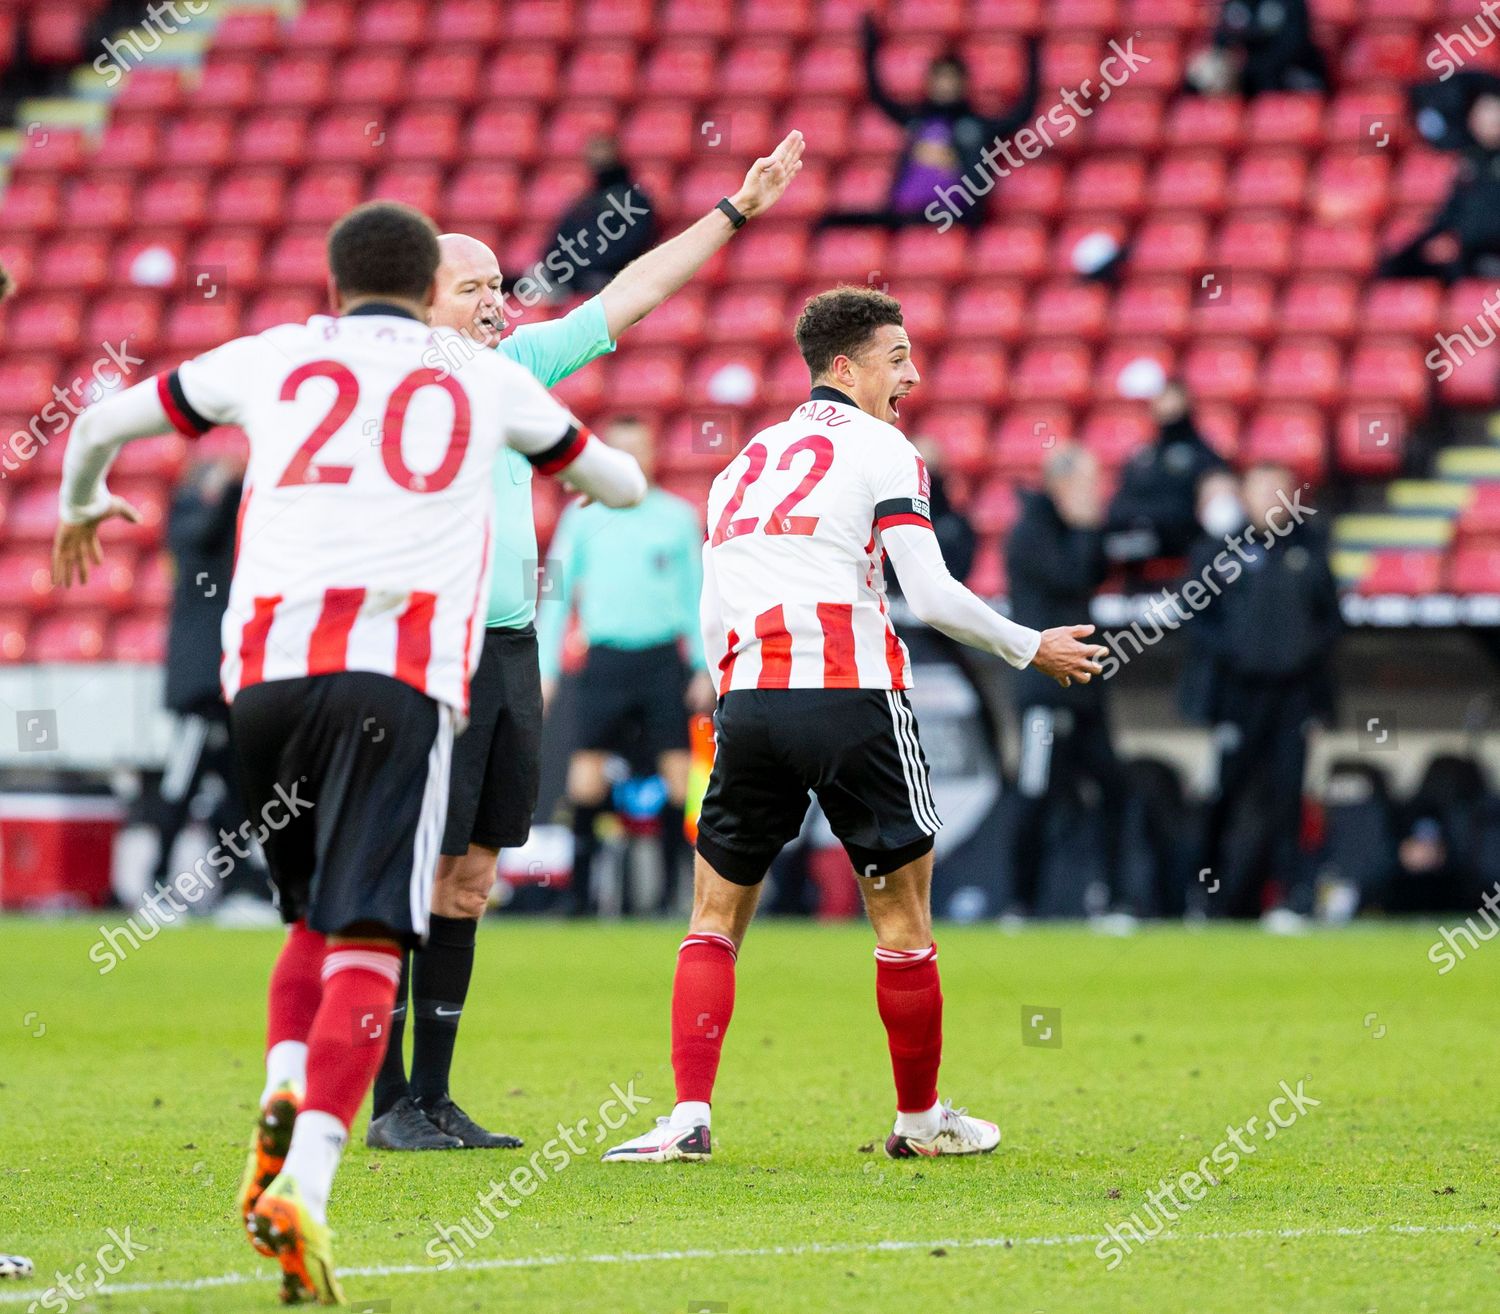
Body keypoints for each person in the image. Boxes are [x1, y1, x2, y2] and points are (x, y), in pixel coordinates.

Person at [52, 200, 647, 1303]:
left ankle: (278, 1120)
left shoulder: (273, 356)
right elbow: (616, 481)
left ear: (334, 280)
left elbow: (95, 426)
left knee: (310, 918)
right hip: (399, 682)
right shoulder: (484, 375)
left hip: (266, 681)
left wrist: (83, 506)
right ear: (432, 287)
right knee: (375, 926)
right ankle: (303, 1184)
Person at [367, 131, 806, 1152]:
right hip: (439, 652)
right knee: (414, 877)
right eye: (470, 287)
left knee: (472, 876)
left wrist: (735, 210)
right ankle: (388, 1100)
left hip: (512, 652)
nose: (494, 299)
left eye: (496, 285)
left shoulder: (518, 366)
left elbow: (631, 296)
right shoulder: (396, 388)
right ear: (420, 300)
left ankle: (433, 1097)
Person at [601, 287, 1104, 1164]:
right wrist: (1032, 648)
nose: (911, 373)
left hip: (751, 699)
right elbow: (934, 595)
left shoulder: (742, 464)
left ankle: (686, 1118)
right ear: (847, 367)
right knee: (902, 917)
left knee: (713, 914)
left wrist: (736, 700)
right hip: (856, 695)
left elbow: (715, 612)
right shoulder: (886, 450)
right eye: (897, 357)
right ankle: (919, 1122)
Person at [538, 416, 715, 916]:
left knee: (680, 781)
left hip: (662, 662)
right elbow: (556, 598)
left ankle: (672, 899)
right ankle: (579, 900)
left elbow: (697, 596)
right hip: (604, 661)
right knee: (585, 782)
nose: (630, 459)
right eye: (619, 451)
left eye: (638, 449)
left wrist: (704, 666)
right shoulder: (582, 519)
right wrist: (545, 667)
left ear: (654, 456)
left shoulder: (677, 518)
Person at [1181, 463, 1340, 924]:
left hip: (1293, 695)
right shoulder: (1219, 552)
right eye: (1261, 489)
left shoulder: (1310, 549)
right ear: (1244, 496)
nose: (1270, 499)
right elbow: (1197, 618)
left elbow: (1330, 619)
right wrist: (1241, 654)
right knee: (1225, 795)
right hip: (1238, 695)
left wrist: (1299, 657)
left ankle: (1291, 898)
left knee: (1290, 795)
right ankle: (1204, 897)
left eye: (1278, 490)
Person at [132, 449, 273, 921]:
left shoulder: (226, 533)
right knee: (182, 784)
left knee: (234, 791)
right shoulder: (188, 521)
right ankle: (154, 886)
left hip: (230, 682)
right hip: (199, 687)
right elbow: (208, 529)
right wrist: (231, 485)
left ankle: (241, 888)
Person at [1005, 445, 1135, 926]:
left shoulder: (1079, 531)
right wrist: (1085, 529)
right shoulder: (1031, 533)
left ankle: (1114, 900)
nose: (1096, 496)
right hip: (1045, 690)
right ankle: (1020, 902)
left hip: (1085, 686)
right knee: (1036, 792)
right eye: (1086, 484)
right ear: (1060, 486)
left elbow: (1099, 571)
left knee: (1112, 789)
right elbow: (1074, 574)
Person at [819, 16, 1038, 229]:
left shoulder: (975, 126)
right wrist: (871, 50)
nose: (945, 86)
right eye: (940, 80)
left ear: (963, 83)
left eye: (951, 80)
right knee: (832, 223)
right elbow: (880, 98)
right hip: (904, 216)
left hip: (951, 218)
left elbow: (1022, 114)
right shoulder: (918, 121)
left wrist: (1033, 55)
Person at [1380, 94, 1500, 283]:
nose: (1490, 122)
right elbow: (1451, 211)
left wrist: (1462, 242)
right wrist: (1432, 239)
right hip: (1458, 245)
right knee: (1397, 265)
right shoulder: (1470, 160)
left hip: (1485, 250)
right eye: (1483, 115)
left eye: (1495, 116)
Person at [1106, 380, 1227, 566]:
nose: (1166, 405)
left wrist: (1150, 518)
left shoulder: (1204, 455)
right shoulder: (1143, 456)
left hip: (1183, 549)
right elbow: (1118, 506)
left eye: (1171, 398)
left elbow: (1190, 511)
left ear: (1186, 402)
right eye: (1161, 398)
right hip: (1139, 547)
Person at [535, 136, 656, 297]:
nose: (596, 158)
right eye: (592, 152)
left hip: (610, 278)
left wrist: (593, 268)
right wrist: (559, 269)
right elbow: (559, 241)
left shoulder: (633, 199)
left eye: (601, 151)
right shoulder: (585, 201)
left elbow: (634, 242)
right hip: (573, 279)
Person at [1186, 0, 1327, 96]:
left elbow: (1292, 47)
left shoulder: (1289, 3)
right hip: (1248, 77)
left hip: (1291, 73)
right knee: (1206, 73)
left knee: (1271, 78)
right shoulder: (1234, 4)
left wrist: (1246, 68)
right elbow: (1221, 44)